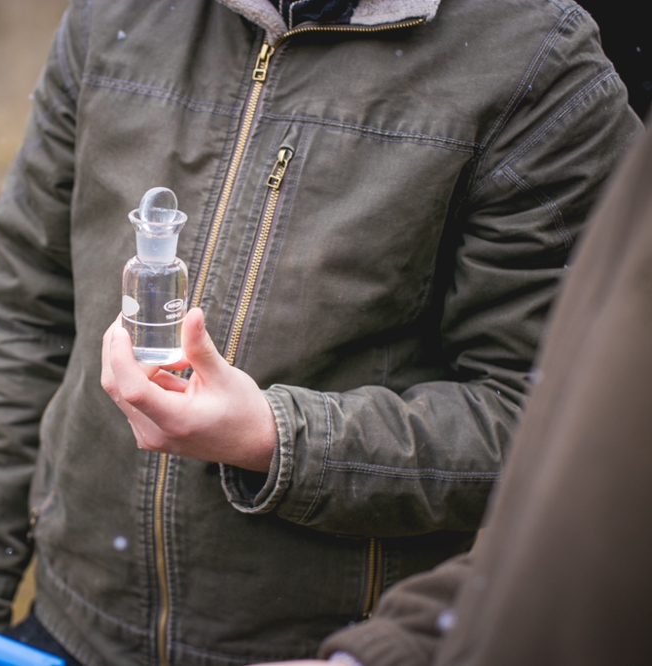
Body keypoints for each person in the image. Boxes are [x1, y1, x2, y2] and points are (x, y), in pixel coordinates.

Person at [0, 2, 641, 665]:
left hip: (324, 649)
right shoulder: (110, 14)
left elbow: (550, 425)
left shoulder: (536, 62)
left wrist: (278, 438)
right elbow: (24, 319)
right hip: (69, 631)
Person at [256, 109, 652, 666]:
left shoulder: (548, 91)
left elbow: (527, 423)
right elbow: (560, 523)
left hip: (328, 617)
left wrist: (279, 434)